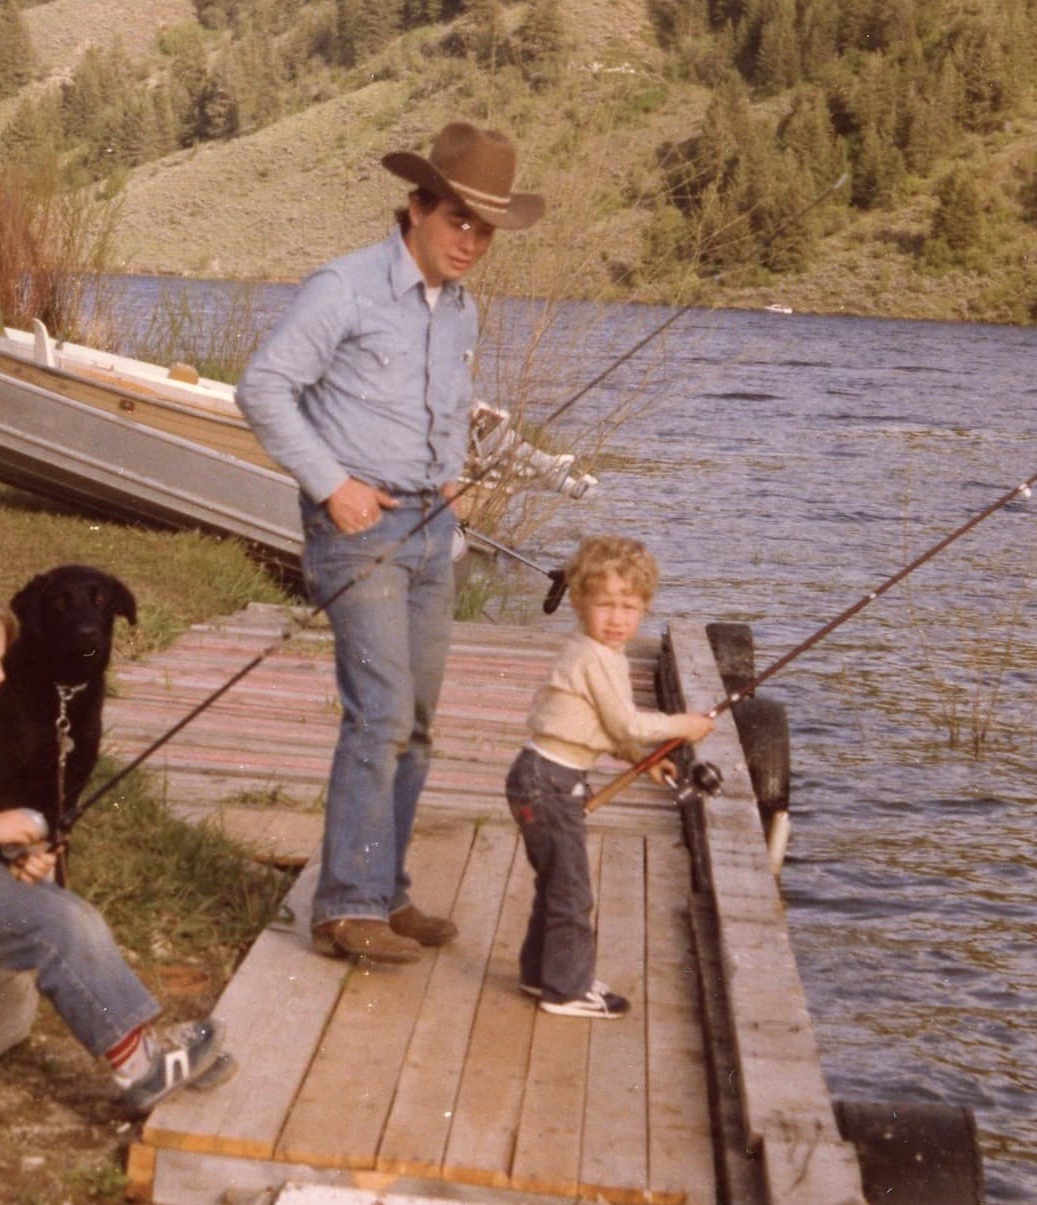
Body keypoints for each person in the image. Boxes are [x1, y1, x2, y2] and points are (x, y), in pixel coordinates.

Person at [236, 121, 545, 966]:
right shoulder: (343, 288)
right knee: (376, 716)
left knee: (415, 719)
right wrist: (331, 485)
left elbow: (445, 407)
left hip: (430, 529)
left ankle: (387, 889)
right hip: (354, 529)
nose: (471, 242)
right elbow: (262, 388)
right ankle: (344, 907)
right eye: (458, 221)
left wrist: (448, 477)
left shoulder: (461, 307)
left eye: (484, 229)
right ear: (415, 206)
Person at [0, 573, 234, 1112]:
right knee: (59, 928)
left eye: (1, 662)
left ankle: (145, 1045)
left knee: (75, 913)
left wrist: (14, 854)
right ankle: (138, 1068)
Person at [506, 536, 715, 1016]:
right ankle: (567, 990)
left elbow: (609, 727)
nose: (618, 618)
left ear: (645, 608)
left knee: (557, 883)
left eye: (630, 606)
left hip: (548, 776)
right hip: (549, 781)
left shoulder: (603, 654)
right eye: (605, 605)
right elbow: (627, 720)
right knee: (572, 892)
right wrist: (686, 725)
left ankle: (543, 974)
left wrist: (641, 757)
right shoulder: (592, 656)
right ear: (579, 601)